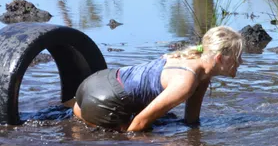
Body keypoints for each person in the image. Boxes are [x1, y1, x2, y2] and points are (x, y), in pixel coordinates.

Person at [73, 26, 243, 132]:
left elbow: (191, 121)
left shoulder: (197, 65)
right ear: (220, 58)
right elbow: (138, 124)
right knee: (141, 138)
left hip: (94, 84)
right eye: (237, 57)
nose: (240, 62)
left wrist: (195, 137)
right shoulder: (186, 81)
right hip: (103, 100)